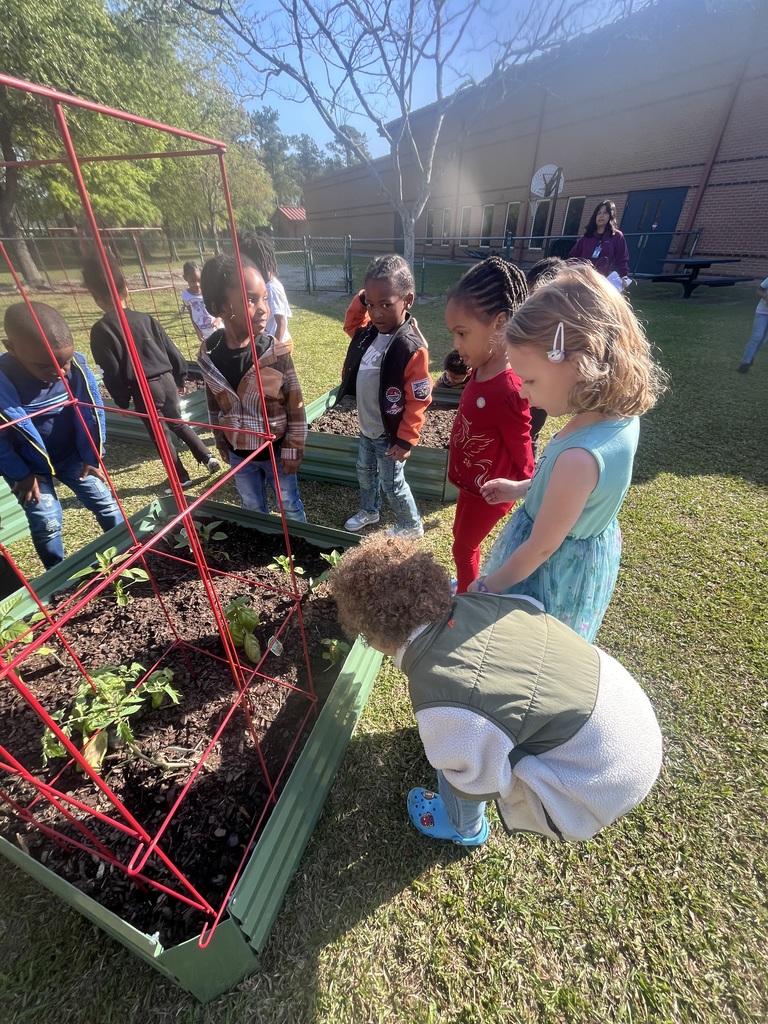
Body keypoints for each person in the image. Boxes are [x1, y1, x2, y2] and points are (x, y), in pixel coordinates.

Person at [329, 535, 663, 847]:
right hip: (630, 718)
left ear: (374, 638)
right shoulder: (488, 604)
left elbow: (476, 778)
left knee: (457, 767)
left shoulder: (441, 694)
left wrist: (458, 760)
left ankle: (464, 828)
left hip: (597, 782)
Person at [472, 264, 667, 643]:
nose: (522, 392)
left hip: (549, 575)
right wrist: (520, 488)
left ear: (579, 365)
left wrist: (487, 586)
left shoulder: (579, 458)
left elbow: (542, 546)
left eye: (529, 380)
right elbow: (570, 496)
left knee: (530, 650)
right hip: (582, 555)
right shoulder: (617, 419)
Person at [0, 302, 124, 570]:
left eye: (64, 361)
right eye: (46, 366)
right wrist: (19, 474)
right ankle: (57, 575)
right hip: (29, 469)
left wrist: (92, 455)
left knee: (105, 502)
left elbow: (91, 413)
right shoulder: (3, 380)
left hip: (72, 457)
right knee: (47, 520)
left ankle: (127, 555)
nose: (59, 372)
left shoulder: (76, 371)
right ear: (11, 347)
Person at [83, 253, 220, 493]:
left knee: (161, 434)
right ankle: (207, 456)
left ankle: (181, 478)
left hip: (144, 387)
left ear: (94, 296)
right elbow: (170, 349)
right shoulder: (145, 318)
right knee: (177, 422)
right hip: (167, 380)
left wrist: (121, 401)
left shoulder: (102, 329)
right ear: (126, 289)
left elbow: (110, 369)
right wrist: (180, 376)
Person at [444, 257, 534, 593]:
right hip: (472, 484)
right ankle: (467, 585)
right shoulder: (480, 368)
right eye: (454, 333)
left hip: (492, 490)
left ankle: (467, 603)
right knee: (460, 537)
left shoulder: (509, 387)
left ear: (499, 323)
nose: (456, 343)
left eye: (462, 333)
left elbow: (521, 440)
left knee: (462, 546)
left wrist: (529, 486)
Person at [198, 255, 307, 521]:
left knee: (289, 506)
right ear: (219, 308)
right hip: (239, 456)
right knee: (252, 508)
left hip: (277, 453)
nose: (263, 308)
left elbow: (295, 405)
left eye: (264, 298)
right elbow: (215, 406)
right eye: (250, 300)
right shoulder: (208, 358)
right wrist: (221, 443)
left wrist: (294, 448)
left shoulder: (276, 353)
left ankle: (299, 551)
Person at [338, 254, 431, 540]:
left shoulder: (410, 347)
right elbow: (350, 321)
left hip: (390, 436)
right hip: (367, 427)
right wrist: (364, 295)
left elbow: (419, 400)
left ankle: (411, 525)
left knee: (392, 482)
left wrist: (405, 440)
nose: (377, 313)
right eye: (371, 304)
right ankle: (370, 510)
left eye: (386, 304)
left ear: (408, 300)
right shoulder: (367, 334)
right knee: (365, 472)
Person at [525, 257, 566, 455]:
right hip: (529, 390)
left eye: (535, 294)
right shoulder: (531, 317)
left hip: (541, 395)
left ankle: (530, 474)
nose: (530, 300)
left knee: (530, 432)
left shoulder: (562, 327)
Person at [238, 233, 294, 352]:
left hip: (280, 344)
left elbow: (282, 322)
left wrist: (274, 350)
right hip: (265, 344)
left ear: (257, 262)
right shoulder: (261, 285)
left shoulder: (272, 288)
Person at [569, 200, 630, 283]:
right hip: (582, 280)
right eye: (599, 213)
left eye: (605, 213)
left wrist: (624, 276)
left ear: (611, 216)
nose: (601, 215)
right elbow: (572, 257)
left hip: (601, 281)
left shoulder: (616, 236)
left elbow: (622, 259)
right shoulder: (587, 237)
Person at [180, 261, 222, 342]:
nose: (197, 284)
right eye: (192, 281)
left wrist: (217, 320)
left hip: (217, 328)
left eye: (199, 280)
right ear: (185, 278)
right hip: (204, 332)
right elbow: (191, 314)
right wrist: (197, 331)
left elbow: (220, 307)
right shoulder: (185, 295)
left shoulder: (208, 291)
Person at [737, 275, 768, 373]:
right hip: (763, 311)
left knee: (763, 339)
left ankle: (751, 356)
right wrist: (765, 296)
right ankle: (745, 363)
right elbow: (758, 290)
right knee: (757, 336)